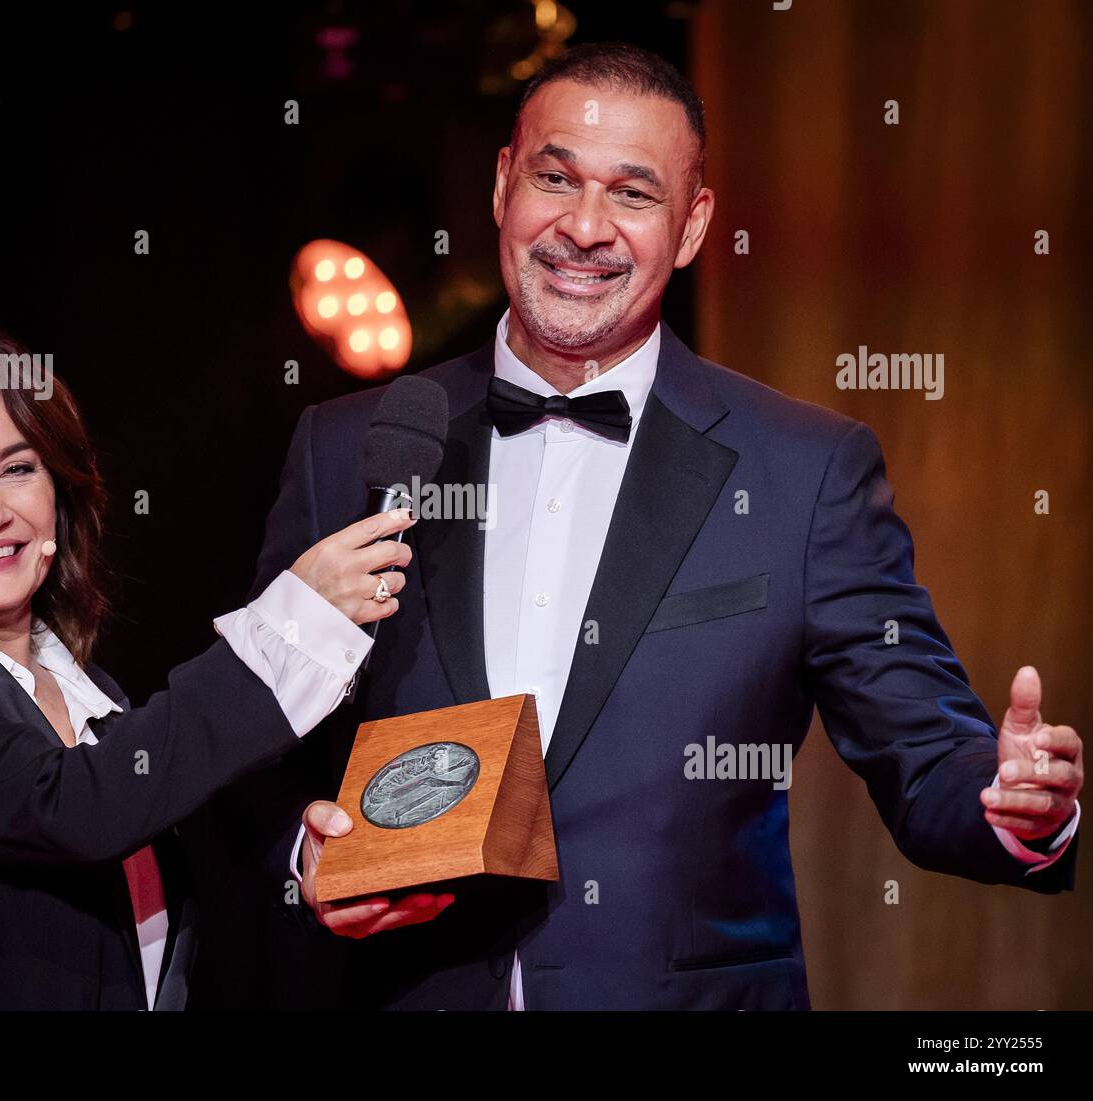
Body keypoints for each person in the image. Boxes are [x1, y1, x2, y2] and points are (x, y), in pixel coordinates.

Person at [246, 42, 1083, 1009]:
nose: (584, 226)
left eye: (633, 195)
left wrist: (1016, 803)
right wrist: (304, 858)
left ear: (691, 228)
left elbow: (926, 756)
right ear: (501, 187)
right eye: (555, 178)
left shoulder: (804, 470)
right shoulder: (347, 447)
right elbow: (254, 747)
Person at [0, 323, 415, 1009]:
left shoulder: (99, 698)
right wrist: (290, 628)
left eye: (18, 467)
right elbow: (76, 808)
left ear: (60, 493)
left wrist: (311, 859)